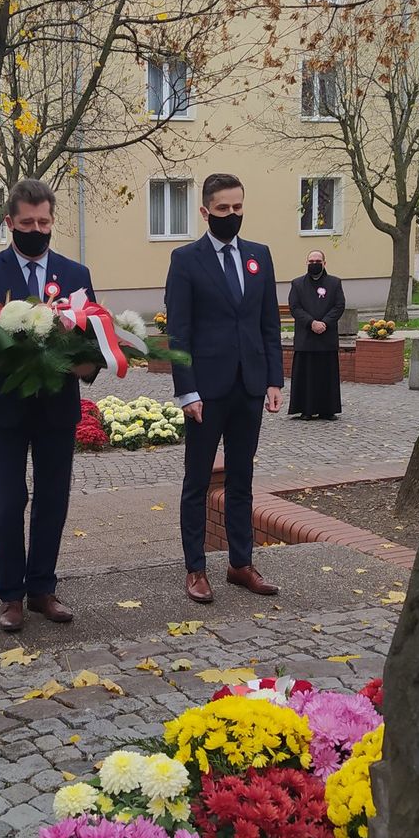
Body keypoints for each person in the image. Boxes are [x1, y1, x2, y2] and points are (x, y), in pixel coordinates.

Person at [0, 178, 97, 633]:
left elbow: (93, 339)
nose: (37, 229)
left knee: (52, 500)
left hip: (57, 407)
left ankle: (42, 589)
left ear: (53, 221)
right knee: (5, 502)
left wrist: (86, 366)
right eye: (27, 222)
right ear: (10, 223)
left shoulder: (75, 273)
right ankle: (10, 594)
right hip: (3, 410)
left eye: (44, 222)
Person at [165, 173, 284, 605]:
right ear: (205, 212)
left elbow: (269, 323)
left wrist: (274, 379)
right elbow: (178, 333)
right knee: (197, 481)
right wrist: (187, 391)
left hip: (249, 386)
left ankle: (240, 563)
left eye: (237, 208)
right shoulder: (186, 260)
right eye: (223, 210)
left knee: (242, 479)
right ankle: (196, 568)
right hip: (206, 392)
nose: (232, 216)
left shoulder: (258, 256)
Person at [288, 250, 346, 419]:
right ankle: (306, 409)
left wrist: (325, 323)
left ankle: (327, 410)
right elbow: (295, 307)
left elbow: (339, 305)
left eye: (317, 260)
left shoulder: (335, 283)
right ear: (306, 263)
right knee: (306, 376)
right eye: (311, 260)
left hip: (326, 338)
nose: (314, 263)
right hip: (306, 337)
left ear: (324, 263)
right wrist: (311, 323)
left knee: (326, 376)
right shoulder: (297, 284)